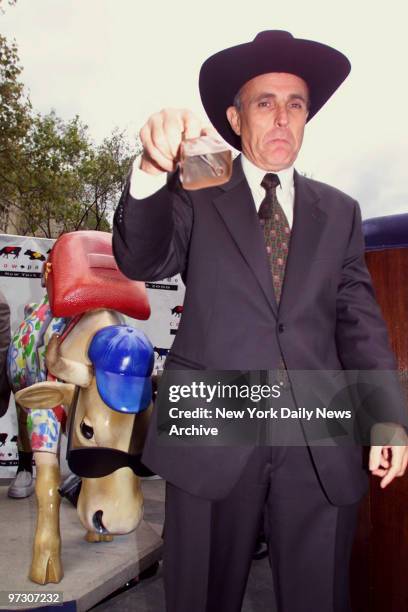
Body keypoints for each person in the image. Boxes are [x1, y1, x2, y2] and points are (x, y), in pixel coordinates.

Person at [112, 31, 408, 612]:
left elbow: (359, 321)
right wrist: (152, 165)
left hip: (317, 430)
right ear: (234, 117)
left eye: (295, 104)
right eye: (264, 102)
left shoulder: (339, 210)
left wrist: (387, 418)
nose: (282, 117)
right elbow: (142, 258)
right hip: (213, 421)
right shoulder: (199, 186)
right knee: (201, 597)